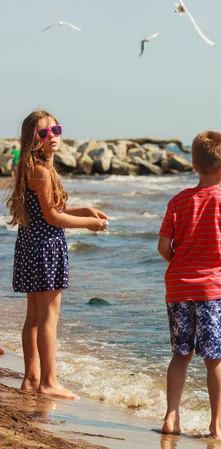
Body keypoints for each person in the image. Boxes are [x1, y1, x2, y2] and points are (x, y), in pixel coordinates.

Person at [6, 110, 108, 399]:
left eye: (56, 130)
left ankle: (31, 378)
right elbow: (52, 217)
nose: (52, 136)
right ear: (32, 139)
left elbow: (50, 209)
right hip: (45, 248)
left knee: (34, 318)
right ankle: (49, 382)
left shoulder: (33, 168)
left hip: (30, 246)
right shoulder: (40, 170)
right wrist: (90, 224)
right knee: (48, 319)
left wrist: (85, 210)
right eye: (43, 133)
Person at [158, 130, 221, 440]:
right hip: (212, 291)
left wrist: (181, 261)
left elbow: (163, 247)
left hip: (178, 287)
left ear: (194, 166)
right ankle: (217, 426)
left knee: (180, 355)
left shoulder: (178, 201)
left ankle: (171, 417)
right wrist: (215, 264)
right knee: (214, 360)